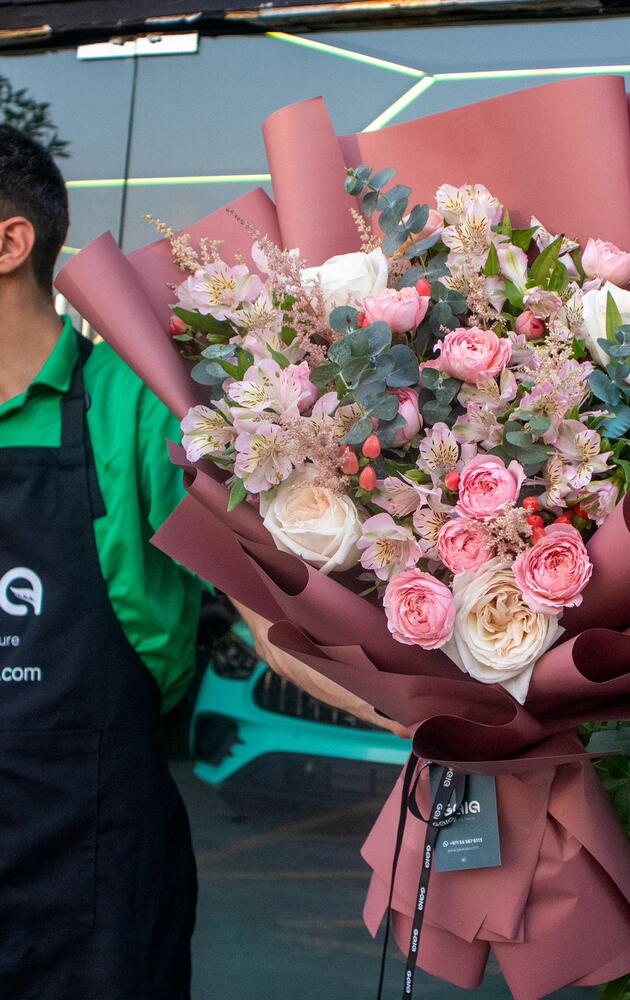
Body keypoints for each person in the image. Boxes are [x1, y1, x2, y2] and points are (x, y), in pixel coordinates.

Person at [0, 125, 402, 1000]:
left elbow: (273, 617)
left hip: (92, 881)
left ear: (9, 243)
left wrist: (439, 717)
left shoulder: (133, 404)